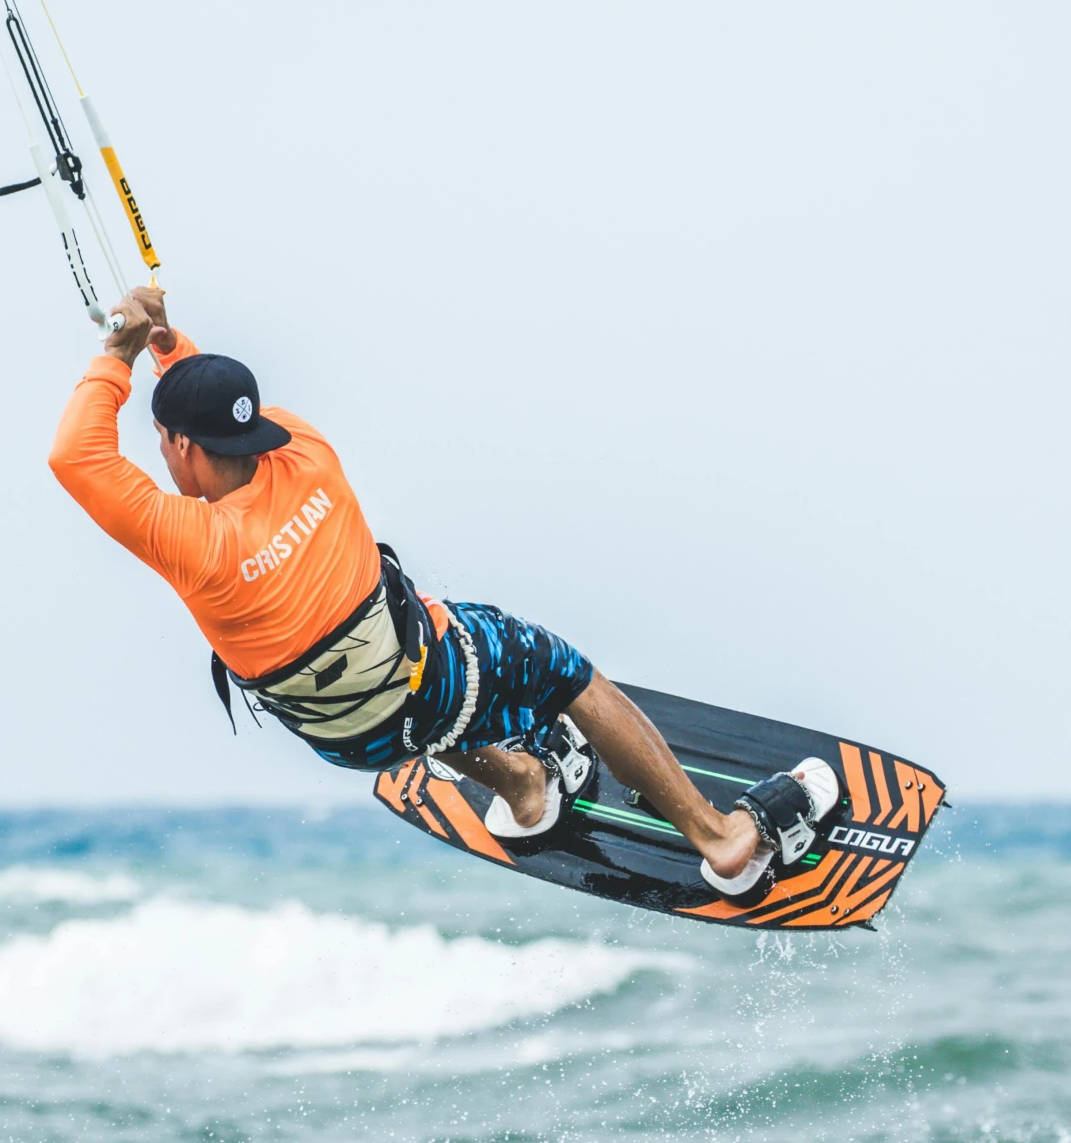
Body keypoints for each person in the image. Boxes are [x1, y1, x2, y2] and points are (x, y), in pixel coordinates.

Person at [47, 286, 837, 895]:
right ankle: (720, 839)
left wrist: (119, 352)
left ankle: (526, 788)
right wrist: (159, 340)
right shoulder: (308, 451)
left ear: (182, 446)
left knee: (403, 662)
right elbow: (216, 402)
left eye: (163, 440)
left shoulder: (190, 542)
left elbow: (77, 458)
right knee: (551, 668)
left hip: (351, 744)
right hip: (422, 686)